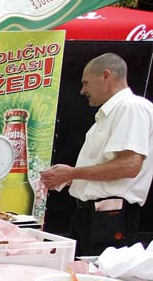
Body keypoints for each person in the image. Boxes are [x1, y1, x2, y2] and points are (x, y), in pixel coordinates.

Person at [41, 53, 153, 255]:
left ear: (106, 76)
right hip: (90, 214)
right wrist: (67, 179)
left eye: (86, 82)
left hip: (109, 216)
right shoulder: (109, 114)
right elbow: (105, 169)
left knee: (98, 280)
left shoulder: (131, 107)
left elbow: (129, 166)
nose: (83, 90)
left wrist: (73, 173)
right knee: (79, 277)